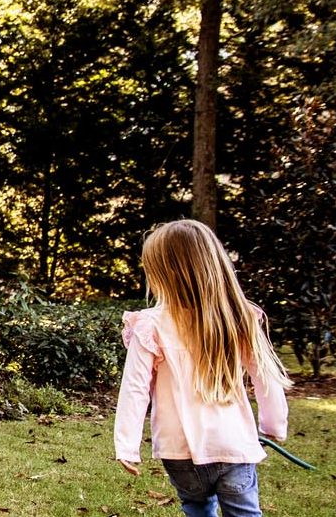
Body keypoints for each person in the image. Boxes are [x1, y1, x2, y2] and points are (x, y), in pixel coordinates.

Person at [114, 219, 293, 517]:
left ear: (165, 274)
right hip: (232, 443)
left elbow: (134, 389)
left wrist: (127, 446)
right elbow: (265, 377)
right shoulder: (238, 317)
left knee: (196, 508)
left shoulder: (151, 326)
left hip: (178, 450)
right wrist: (274, 425)